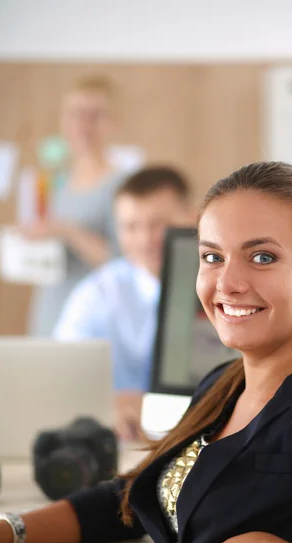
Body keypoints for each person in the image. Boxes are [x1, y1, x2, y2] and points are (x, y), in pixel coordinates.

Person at [0, 162, 292, 543]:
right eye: (212, 257)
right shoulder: (222, 386)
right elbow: (130, 499)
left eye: (262, 257)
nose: (228, 283)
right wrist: (5, 530)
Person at [54, 165, 193, 439]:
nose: (145, 240)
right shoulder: (96, 294)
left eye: (159, 224)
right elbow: (61, 377)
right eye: (131, 226)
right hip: (122, 441)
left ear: (193, 218)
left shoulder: (226, 290)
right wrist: (108, 403)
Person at [25, 75, 123, 336]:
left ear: (113, 122)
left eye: (95, 115)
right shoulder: (60, 181)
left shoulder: (121, 185)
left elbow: (122, 262)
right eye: (76, 114)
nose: (83, 125)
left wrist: (67, 231)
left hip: (91, 319)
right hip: (50, 309)